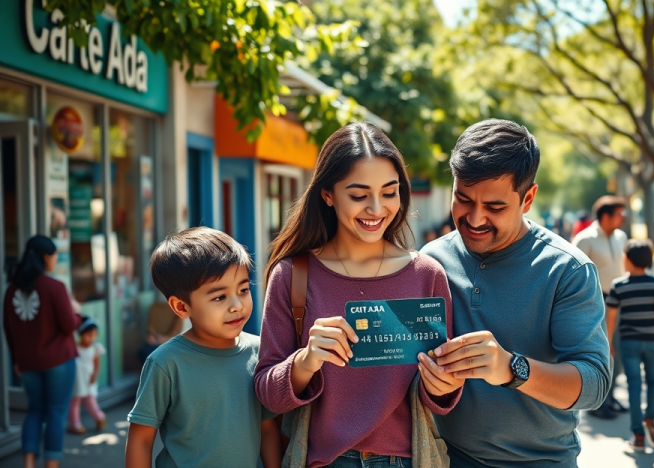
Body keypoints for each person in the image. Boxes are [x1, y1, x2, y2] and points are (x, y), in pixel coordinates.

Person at [254, 122, 462, 468]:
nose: (376, 209)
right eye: (359, 195)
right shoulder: (293, 276)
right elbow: (267, 395)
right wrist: (306, 361)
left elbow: (440, 395)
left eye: (389, 192)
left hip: (406, 460)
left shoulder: (427, 275)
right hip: (324, 461)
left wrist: (444, 384)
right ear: (328, 195)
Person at [421, 119, 610, 466]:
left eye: (495, 207)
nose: (475, 219)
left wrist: (511, 368)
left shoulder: (567, 270)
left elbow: (594, 384)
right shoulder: (430, 261)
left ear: (528, 199)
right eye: (462, 199)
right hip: (447, 457)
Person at [125, 227, 281, 468]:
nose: (237, 305)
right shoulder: (165, 363)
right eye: (219, 297)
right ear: (181, 307)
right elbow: (141, 440)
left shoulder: (261, 351)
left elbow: (268, 428)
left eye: (243, 290)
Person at [3, 235, 82, 468]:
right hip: (59, 361)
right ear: (46, 257)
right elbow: (69, 325)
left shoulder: (11, 290)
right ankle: (51, 465)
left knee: (34, 411)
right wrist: (78, 315)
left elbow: (8, 328)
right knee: (57, 413)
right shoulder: (55, 287)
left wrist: (17, 359)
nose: (55, 259)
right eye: (55, 255)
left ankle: (28, 463)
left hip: (28, 363)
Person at [605, 239, 654, 451]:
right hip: (653, 341)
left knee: (633, 385)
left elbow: (611, 316)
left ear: (626, 259)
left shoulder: (619, 285)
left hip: (629, 342)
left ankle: (638, 435)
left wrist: (609, 340)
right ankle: (650, 418)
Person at [572, 195, 628, 419]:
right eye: (619, 214)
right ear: (605, 216)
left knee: (619, 352)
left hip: (621, 301)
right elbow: (574, 274)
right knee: (604, 352)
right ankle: (598, 404)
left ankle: (610, 397)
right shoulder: (585, 239)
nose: (622, 218)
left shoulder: (621, 237)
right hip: (598, 303)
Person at [67, 317, 107, 434]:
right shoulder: (75, 348)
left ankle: (99, 417)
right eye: (89, 335)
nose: (92, 339)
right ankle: (75, 424)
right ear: (81, 334)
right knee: (75, 402)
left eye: (94, 336)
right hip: (77, 380)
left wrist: (95, 374)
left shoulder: (94, 349)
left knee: (91, 401)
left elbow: (96, 364)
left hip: (88, 379)